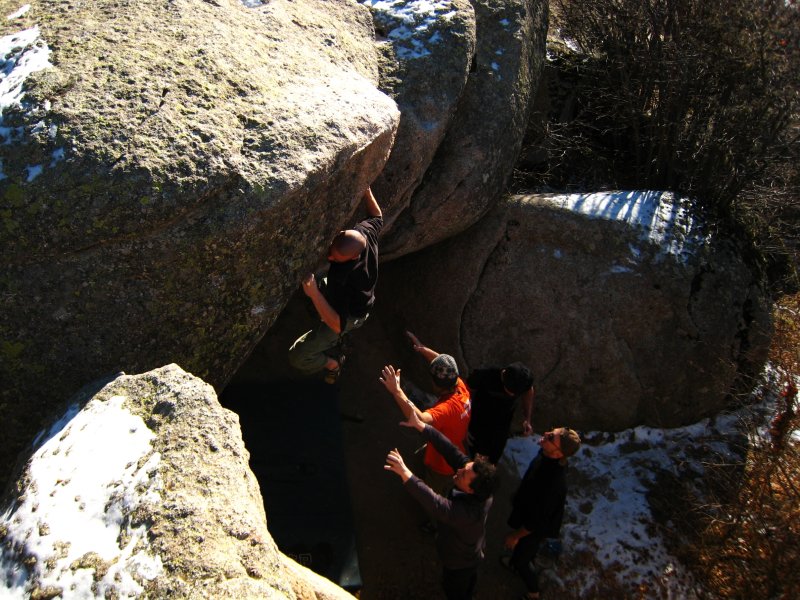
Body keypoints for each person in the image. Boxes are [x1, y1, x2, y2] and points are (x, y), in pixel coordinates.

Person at [384, 406, 499, 600]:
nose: (458, 471)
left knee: (454, 589)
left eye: (463, 474)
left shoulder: (466, 514)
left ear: (471, 490)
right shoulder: (479, 486)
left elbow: (436, 503)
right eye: (464, 468)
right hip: (471, 550)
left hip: (459, 563)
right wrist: (423, 427)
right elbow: (451, 450)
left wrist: (406, 473)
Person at [288, 187, 382, 383]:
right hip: (355, 300)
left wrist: (314, 294)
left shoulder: (345, 280)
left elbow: (338, 324)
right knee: (319, 289)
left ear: (354, 257)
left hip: (348, 317)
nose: (330, 257)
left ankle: (333, 363)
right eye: (331, 251)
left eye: (336, 259)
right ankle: (320, 309)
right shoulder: (365, 233)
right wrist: (365, 190)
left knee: (298, 356)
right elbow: (377, 216)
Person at [380, 331, 471, 496]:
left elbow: (420, 419)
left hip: (442, 466)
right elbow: (448, 367)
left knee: (432, 493)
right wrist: (423, 350)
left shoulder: (447, 409)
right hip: (455, 445)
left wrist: (396, 391)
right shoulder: (459, 386)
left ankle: (433, 521)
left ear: (437, 386)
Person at [503, 427, 582, 600]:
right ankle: (516, 560)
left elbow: (536, 522)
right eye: (551, 432)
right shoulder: (545, 453)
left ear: (558, 453)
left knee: (523, 561)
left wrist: (515, 536)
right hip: (529, 512)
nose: (546, 435)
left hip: (534, 528)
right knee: (523, 553)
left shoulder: (554, 484)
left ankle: (533, 592)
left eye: (551, 437)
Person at [467, 363, 535, 464]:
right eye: (511, 391)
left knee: (494, 457)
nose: (512, 394)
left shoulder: (523, 379)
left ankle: (488, 474)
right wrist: (464, 422)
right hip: (479, 422)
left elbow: (529, 390)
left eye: (516, 393)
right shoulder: (484, 375)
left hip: (502, 426)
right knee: (476, 456)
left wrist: (527, 419)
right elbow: (465, 392)